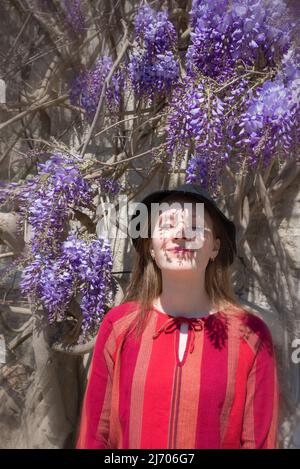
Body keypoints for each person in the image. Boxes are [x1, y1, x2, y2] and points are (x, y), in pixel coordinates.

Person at [75, 183, 279, 449]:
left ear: (214, 248)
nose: (181, 235)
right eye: (167, 225)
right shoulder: (119, 325)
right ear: (150, 247)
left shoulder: (250, 334)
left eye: (194, 227)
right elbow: (95, 434)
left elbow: (259, 441)